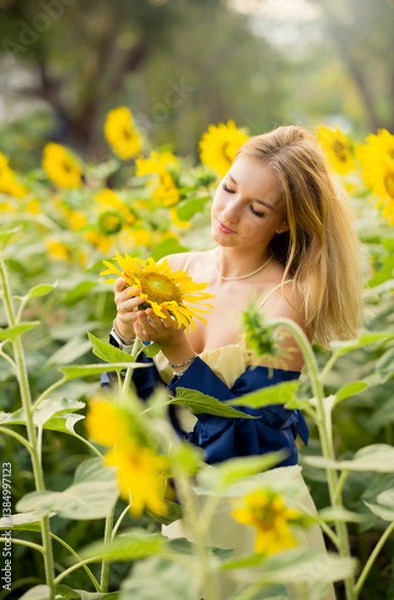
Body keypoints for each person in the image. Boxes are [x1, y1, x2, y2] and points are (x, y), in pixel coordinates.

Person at [104, 125, 362, 599]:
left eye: (256, 209)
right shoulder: (174, 271)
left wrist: (180, 350)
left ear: (284, 224)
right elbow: (120, 410)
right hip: (186, 524)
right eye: (228, 187)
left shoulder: (285, 301)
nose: (227, 213)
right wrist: (123, 334)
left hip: (259, 523)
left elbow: (249, 445)